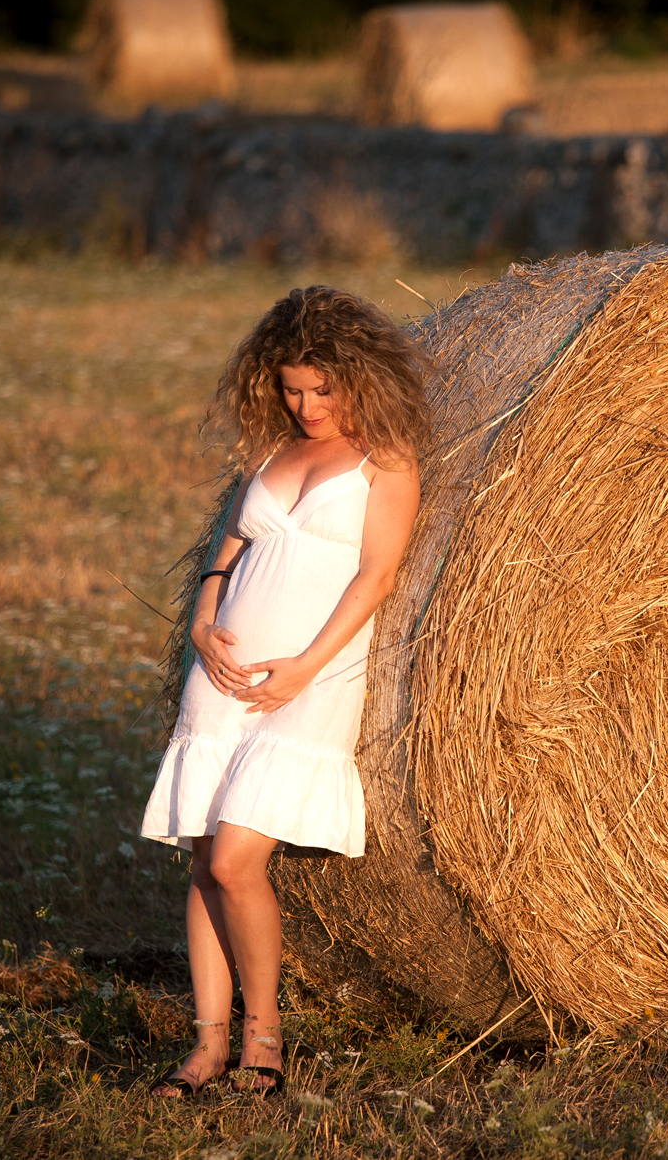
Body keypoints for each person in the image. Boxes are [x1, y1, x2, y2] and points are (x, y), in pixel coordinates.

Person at [138, 286, 426, 1098]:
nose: (306, 406)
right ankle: (206, 1047)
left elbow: (376, 576)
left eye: (322, 390)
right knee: (204, 860)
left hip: (308, 677)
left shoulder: (385, 461)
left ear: (359, 378)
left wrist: (305, 667)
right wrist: (201, 625)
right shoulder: (270, 455)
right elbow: (226, 553)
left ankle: (262, 1038)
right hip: (222, 675)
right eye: (292, 390)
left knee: (236, 862)